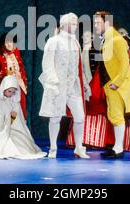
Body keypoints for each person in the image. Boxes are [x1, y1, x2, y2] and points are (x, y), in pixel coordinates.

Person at [39, 12, 91, 159]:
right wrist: (53, 82)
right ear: (64, 24)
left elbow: (79, 66)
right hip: (58, 85)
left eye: (76, 24)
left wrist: (85, 83)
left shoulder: (75, 42)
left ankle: (79, 147)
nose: (75, 26)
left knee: (80, 117)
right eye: (72, 23)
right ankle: (53, 148)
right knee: (55, 117)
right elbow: (47, 63)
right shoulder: (53, 41)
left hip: (73, 86)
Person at [93, 11, 130, 158]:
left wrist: (117, 82)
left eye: (97, 22)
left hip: (116, 85)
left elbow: (125, 63)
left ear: (106, 22)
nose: (95, 25)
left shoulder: (117, 39)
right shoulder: (108, 39)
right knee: (113, 114)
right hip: (109, 84)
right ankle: (116, 146)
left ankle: (119, 148)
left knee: (117, 115)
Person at [0, 32, 28, 118]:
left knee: (18, 114)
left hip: (18, 89)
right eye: (8, 42)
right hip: (4, 90)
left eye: (13, 42)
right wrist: (4, 73)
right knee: (3, 115)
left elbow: (22, 72)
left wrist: (23, 84)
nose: (10, 44)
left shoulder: (17, 56)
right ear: (3, 43)